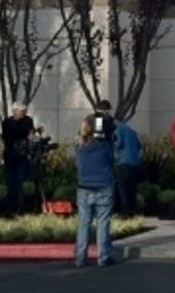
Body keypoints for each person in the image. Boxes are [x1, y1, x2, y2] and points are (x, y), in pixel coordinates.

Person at [74, 114, 115, 268]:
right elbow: (112, 158)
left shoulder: (79, 146)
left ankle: (80, 257)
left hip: (84, 187)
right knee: (103, 222)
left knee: (84, 223)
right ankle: (104, 256)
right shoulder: (105, 145)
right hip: (104, 185)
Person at [108, 102, 142, 217]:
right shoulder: (130, 129)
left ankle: (125, 212)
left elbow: (118, 143)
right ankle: (132, 210)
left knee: (123, 188)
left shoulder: (115, 128)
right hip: (135, 162)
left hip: (124, 161)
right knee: (132, 188)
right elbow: (139, 145)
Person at [1, 103, 35, 216]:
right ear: (14, 111)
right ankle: (10, 207)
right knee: (11, 182)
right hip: (10, 156)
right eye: (21, 111)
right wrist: (25, 135)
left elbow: (30, 133)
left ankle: (16, 207)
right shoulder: (7, 122)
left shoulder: (28, 120)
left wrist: (30, 137)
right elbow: (8, 135)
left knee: (20, 181)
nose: (23, 113)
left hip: (22, 156)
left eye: (24, 111)